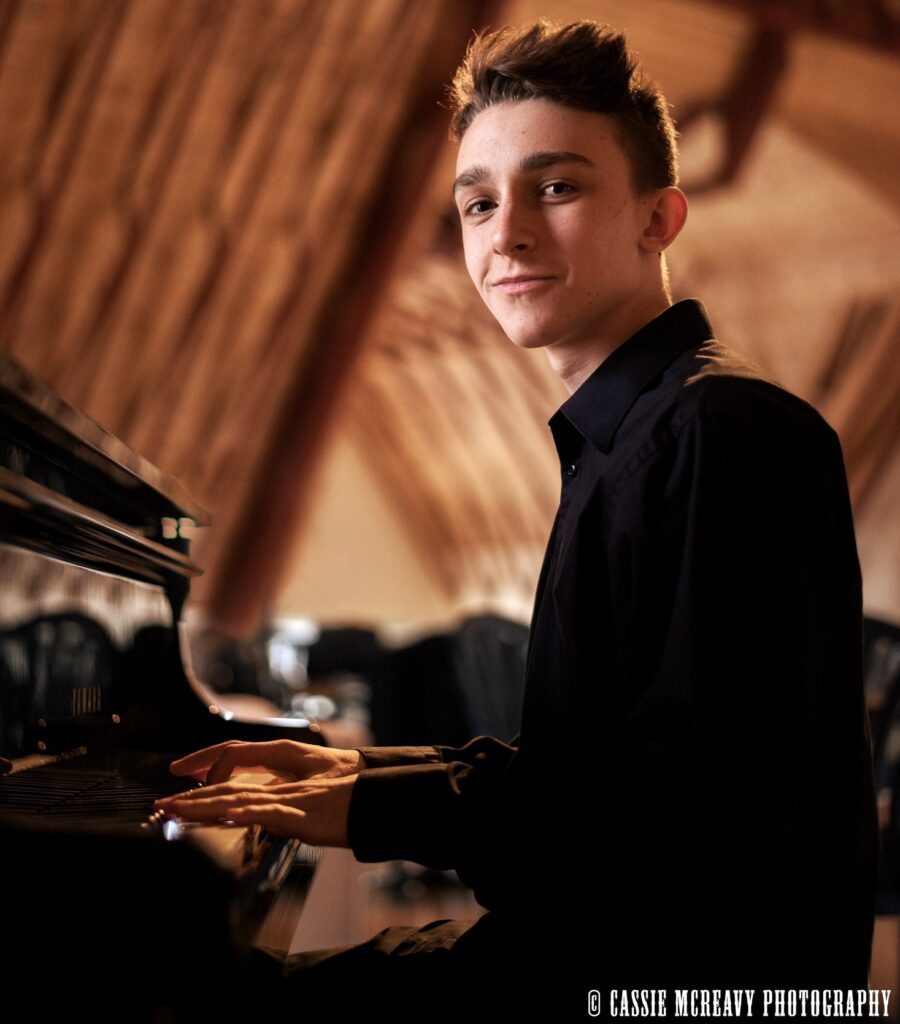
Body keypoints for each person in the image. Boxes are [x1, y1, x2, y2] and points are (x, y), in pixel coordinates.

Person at [155, 20, 879, 1016]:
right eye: (478, 203)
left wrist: (374, 805)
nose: (506, 234)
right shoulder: (633, 437)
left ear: (658, 219)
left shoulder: (725, 430)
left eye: (559, 186)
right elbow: (594, 773)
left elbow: (689, 822)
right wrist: (351, 766)